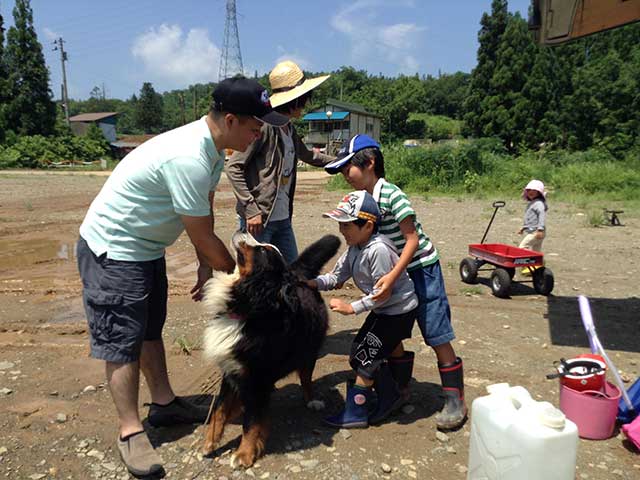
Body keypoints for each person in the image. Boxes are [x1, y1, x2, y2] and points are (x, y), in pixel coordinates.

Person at [77, 77, 288, 477]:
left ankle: (163, 404)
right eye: (255, 125)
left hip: (144, 249)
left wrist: (205, 263)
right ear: (230, 119)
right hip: (114, 250)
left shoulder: (213, 149)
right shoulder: (188, 156)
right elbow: (204, 233)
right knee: (123, 341)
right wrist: (244, 280)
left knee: (149, 330)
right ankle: (129, 431)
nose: (259, 132)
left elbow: (203, 215)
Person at [323, 135, 467, 430]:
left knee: (435, 329)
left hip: (419, 266)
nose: (344, 176)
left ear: (369, 163)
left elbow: (412, 239)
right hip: (395, 269)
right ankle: (400, 391)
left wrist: (391, 275)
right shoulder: (362, 202)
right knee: (392, 326)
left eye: (347, 168)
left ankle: (454, 399)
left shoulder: (391, 194)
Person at [307, 190, 418, 428]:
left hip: (397, 311)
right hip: (385, 310)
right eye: (340, 224)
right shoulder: (355, 248)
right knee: (361, 350)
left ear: (368, 226)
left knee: (364, 357)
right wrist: (312, 283)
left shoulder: (377, 250)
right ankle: (395, 392)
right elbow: (336, 277)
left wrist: (352, 307)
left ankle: (357, 411)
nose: (341, 230)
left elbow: (383, 293)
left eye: (347, 225)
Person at [225, 60, 335, 264]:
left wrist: (341, 162)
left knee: (292, 275)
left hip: (283, 219)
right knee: (258, 280)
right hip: (260, 221)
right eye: (304, 99)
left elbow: (309, 156)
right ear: (294, 100)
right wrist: (251, 210)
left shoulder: (289, 128)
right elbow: (233, 166)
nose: (306, 104)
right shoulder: (263, 127)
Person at [517, 179, 548, 275]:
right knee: (536, 249)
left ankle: (528, 265)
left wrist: (540, 229)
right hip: (535, 230)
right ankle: (538, 265)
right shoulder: (533, 203)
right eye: (529, 190)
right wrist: (524, 227)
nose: (531, 192)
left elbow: (541, 216)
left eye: (534, 191)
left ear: (539, 192)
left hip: (536, 231)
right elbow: (531, 218)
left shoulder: (538, 204)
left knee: (522, 247)